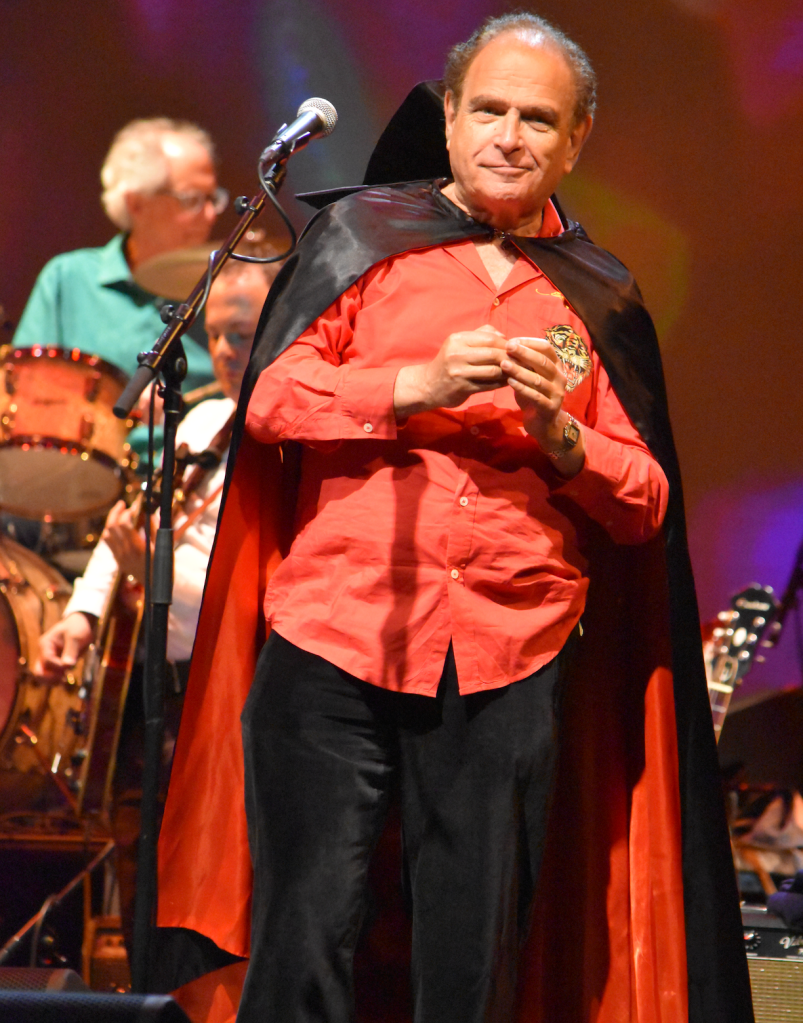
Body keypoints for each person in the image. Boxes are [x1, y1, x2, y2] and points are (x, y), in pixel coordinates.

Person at [157, 13, 753, 1023]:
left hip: (506, 656)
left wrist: (560, 441)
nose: (508, 137)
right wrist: (411, 384)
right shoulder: (362, 241)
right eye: (487, 110)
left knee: (471, 958)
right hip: (332, 639)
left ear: (575, 141)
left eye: (536, 119)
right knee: (304, 936)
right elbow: (271, 402)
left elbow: (645, 502)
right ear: (448, 122)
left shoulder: (594, 292)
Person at [34, 244, 277, 955]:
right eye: (218, 336)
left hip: (231, 701)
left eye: (245, 333)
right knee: (146, 885)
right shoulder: (200, 424)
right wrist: (82, 615)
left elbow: (252, 601)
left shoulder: (289, 442)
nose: (228, 352)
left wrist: (150, 577)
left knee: (213, 906)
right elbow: (127, 532)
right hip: (157, 696)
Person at [13, 116, 225, 392]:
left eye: (212, 198)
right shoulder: (69, 279)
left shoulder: (222, 292)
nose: (210, 215)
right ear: (136, 203)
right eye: (192, 200)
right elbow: (26, 391)